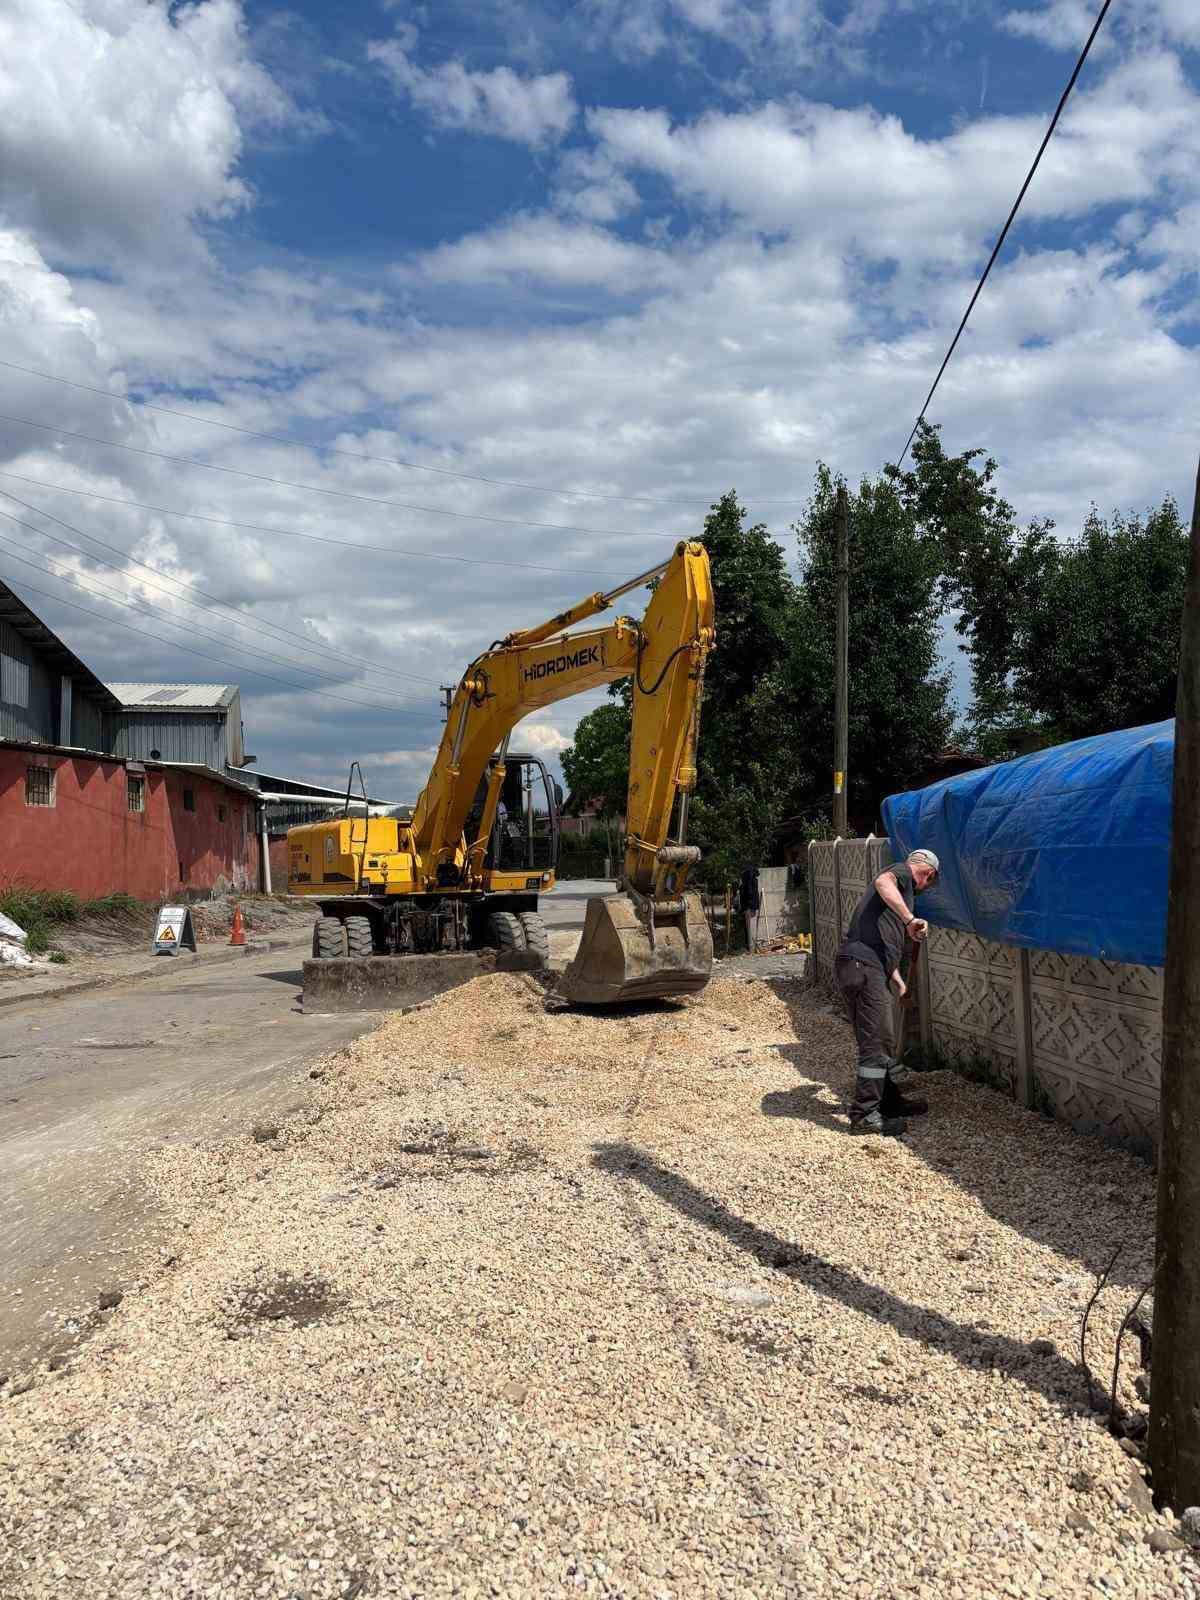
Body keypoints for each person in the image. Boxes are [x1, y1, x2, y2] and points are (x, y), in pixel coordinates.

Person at [834, 848, 940, 1136]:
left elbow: (880, 945)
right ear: (928, 874)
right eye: (928, 886)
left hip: (868, 966)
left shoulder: (893, 901)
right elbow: (883, 882)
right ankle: (864, 1114)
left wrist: (899, 982)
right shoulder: (903, 874)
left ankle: (890, 1102)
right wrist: (909, 920)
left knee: (885, 1038)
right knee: (876, 1043)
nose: (922, 892)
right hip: (862, 966)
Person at [739, 864, 761, 951]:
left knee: (748, 925)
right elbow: (750, 892)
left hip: (748, 905)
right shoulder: (750, 879)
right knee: (748, 925)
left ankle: (749, 945)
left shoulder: (747, 879)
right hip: (750, 905)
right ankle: (749, 945)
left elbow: (749, 892)